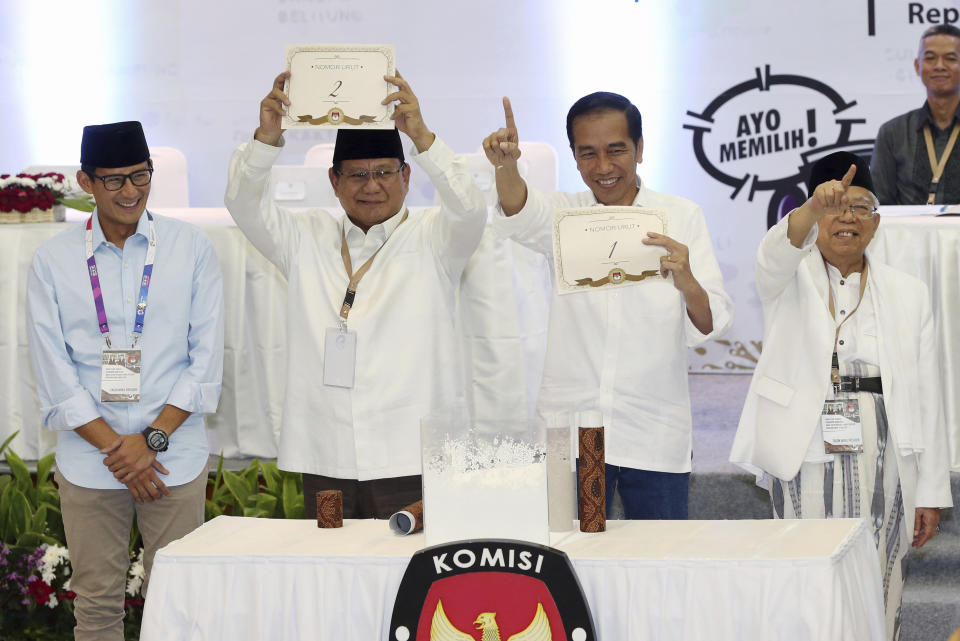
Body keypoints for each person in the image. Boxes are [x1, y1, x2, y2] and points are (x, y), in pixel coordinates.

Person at [224, 71, 486, 519]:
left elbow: (469, 206)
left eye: (385, 172)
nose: (372, 186)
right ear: (334, 180)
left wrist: (420, 134)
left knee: (409, 579)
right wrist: (266, 140)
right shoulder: (305, 236)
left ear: (406, 176)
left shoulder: (434, 237)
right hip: (328, 454)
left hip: (410, 457)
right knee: (331, 576)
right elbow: (243, 204)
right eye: (358, 175)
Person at [730, 151, 953, 640]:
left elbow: (929, 396)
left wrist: (932, 491)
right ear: (813, 215)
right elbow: (772, 253)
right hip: (804, 444)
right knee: (805, 577)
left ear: (876, 222)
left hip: (887, 453)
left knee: (880, 578)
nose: (847, 218)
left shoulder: (908, 291)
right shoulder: (787, 276)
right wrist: (811, 208)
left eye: (860, 207)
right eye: (834, 207)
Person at [482, 92, 733, 519]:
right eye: (588, 153)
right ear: (575, 158)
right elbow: (518, 211)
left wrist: (686, 280)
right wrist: (506, 166)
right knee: (566, 564)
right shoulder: (563, 215)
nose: (603, 167)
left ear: (639, 148)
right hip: (570, 422)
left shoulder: (680, 215)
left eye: (616, 150)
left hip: (653, 426)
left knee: (659, 563)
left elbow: (710, 322)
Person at [26, 121, 224, 641]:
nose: (131, 190)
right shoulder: (52, 261)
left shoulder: (190, 248)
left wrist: (151, 441)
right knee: (95, 606)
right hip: (92, 461)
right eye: (114, 180)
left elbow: (205, 360)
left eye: (141, 175)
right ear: (86, 182)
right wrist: (120, 450)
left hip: (172, 458)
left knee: (180, 605)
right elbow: (54, 372)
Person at [871, 24, 960, 205]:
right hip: (906, 234)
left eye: (950, 58)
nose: (939, 66)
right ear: (917, 66)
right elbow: (878, 206)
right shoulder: (893, 133)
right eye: (930, 58)